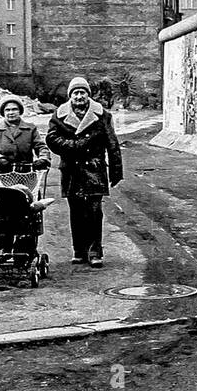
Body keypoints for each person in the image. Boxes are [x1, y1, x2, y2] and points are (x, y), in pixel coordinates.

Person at [45, 76, 123, 267]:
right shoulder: (59, 115)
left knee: (95, 211)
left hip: (94, 169)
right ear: (70, 96)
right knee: (77, 211)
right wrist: (73, 146)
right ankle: (79, 250)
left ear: (88, 94)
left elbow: (112, 143)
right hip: (71, 170)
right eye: (75, 93)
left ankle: (95, 251)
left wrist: (115, 170)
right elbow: (52, 139)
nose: (79, 96)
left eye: (83, 92)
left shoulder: (102, 115)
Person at [0, 95, 50, 258]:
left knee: (27, 210)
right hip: (5, 176)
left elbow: (41, 146)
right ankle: (5, 248)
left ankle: (25, 248)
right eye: (7, 110)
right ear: (2, 112)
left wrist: (42, 159)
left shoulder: (30, 128)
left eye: (14, 109)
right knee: (4, 211)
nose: (11, 112)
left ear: (20, 111)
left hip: (27, 175)